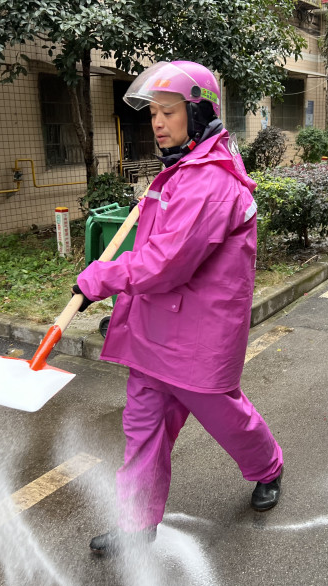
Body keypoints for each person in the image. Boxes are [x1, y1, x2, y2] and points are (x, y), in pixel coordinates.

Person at [72, 61, 284, 555]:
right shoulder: (178, 172)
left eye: (168, 112)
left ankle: (268, 466)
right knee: (142, 434)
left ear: (198, 111)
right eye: (153, 115)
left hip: (199, 341)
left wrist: (101, 279)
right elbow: (153, 255)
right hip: (152, 333)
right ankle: (136, 525)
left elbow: (166, 264)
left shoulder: (210, 182)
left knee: (229, 421)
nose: (159, 123)